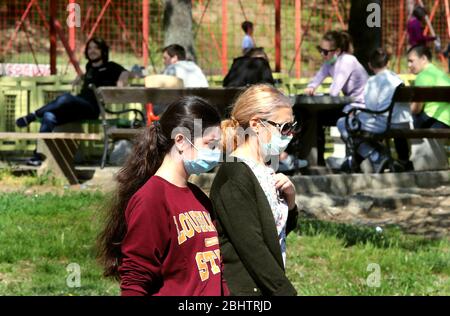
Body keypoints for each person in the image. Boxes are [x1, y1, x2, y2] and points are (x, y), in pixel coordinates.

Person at [97, 96, 228, 296]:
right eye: (211, 145)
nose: (217, 153)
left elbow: (216, 273)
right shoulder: (151, 199)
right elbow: (136, 279)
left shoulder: (200, 198)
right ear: (181, 141)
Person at [209, 84, 299, 296]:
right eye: (284, 127)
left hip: (265, 285)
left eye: (292, 127)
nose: (290, 135)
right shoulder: (235, 174)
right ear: (257, 124)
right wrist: (285, 292)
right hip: (245, 291)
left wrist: (291, 201)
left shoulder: (265, 169)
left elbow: (278, 230)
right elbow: (252, 248)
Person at [16, 38, 129, 166]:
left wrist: (122, 80)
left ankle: (33, 115)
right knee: (49, 116)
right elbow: (89, 76)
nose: (92, 51)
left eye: (96, 48)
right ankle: (38, 156)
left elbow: (125, 72)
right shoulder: (89, 67)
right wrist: (81, 77)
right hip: (78, 107)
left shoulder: (110, 66)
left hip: (92, 108)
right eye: (90, 48)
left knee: (65, 98)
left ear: (102, 51)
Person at [337, 48, 413, 173]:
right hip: (403, 122)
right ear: (388, 63)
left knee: (343, 123)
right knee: (354, 125)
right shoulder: (397, 79)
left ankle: (376, 155)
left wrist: (355, 112)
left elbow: (372, 108)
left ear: (370, 65)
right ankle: (375, 156)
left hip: (385, 123)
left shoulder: (372, 81)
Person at [300, 31, 369, 166]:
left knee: (318, 118)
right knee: (314, 117)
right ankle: (317, 162)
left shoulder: (347, 60)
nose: (322, 54)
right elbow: (316, 81)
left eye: (325, 52)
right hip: (351, 106)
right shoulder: (329, 62)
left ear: (337, 51)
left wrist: (318, 92)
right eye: (320, 50)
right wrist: (311, 88)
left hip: (362, 108)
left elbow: (334, 91)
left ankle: (318, 163)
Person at [407, 45, 450, 129]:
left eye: (411, 61)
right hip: (446, 120)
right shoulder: (439, 73)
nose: (409, 65)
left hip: (434, 120)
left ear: (423, 58)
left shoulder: (423, 75)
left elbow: (416, 109)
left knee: (401, 124)